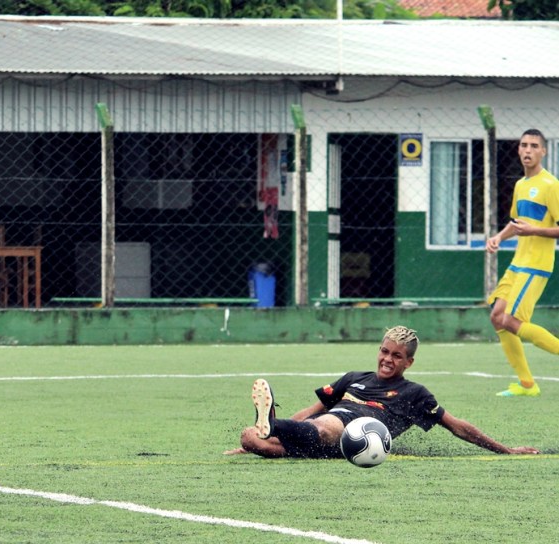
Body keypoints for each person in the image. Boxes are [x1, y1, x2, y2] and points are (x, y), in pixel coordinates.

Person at [224, 326, 540, 459]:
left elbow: (457, 426)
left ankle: (273, 424)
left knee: (326, 425)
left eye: (397, 356)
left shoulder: (415, 393)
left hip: (360, 431)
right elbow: (309, 411)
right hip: (323, 432)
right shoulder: (353, 378)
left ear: (409, 362)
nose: (388, 360)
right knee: (247, 437)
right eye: (385, 352)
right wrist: (261, 440)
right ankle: (270, 428)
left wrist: (506, 450)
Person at [486, 128, 559, 397]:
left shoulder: (551, 185)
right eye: (524, 145)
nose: (528, 150)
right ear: (518, 150)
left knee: (511, 320)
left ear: (544, 151)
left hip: (536, 265)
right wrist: (499, 237)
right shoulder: (520, 185)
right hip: (518, 262)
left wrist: (535, 231)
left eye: (534, 146)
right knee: (497, 317)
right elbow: (517, 223)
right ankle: (527, 384)